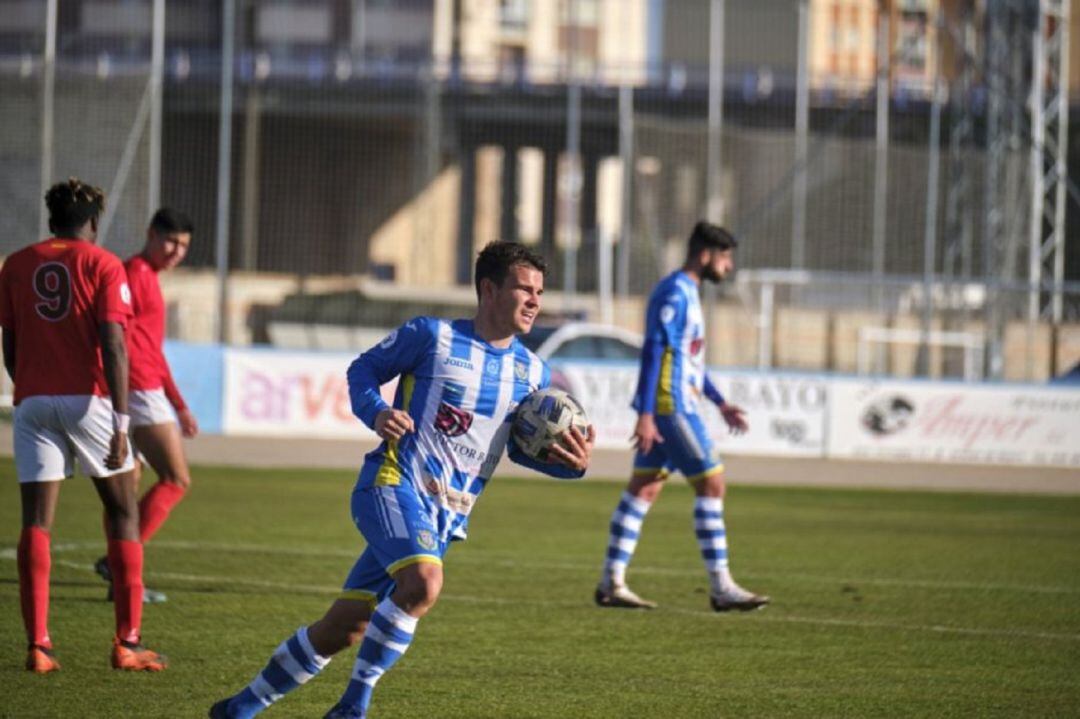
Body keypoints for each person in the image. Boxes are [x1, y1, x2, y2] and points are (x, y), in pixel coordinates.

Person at [209, 241, 595, 719]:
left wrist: (567, 464)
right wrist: (377, 412)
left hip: (444, 517)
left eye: (540, 291)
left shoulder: (533, 372)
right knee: (424, 583)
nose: (536, 300)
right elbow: (363, 370)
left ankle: (240, 708)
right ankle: (353, 707)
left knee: (344, 627)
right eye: (524, 289)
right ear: (489, 289)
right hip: (391, 484)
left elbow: (517, 447)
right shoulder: (431, 336)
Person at [0, 178, 168, 673]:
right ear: (93, 221)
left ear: (52, 218)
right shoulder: (101, 263)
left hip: (31, 402)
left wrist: (31, 384)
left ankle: (39, 646)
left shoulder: (17, 263)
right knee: (122, 511)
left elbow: (9, 344)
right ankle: (127, 642)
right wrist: (120, 422)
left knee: (36, 521)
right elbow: (114, 345)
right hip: (89, 401)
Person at [593, 221, 769, 612]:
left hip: (677, 403)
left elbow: (686, 360)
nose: (728, 267)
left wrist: (720, 402)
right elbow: (654, 350)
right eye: (725, 258)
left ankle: (611, 581)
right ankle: (721, 587)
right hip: (672, 408)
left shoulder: (689, 293)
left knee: (644, 489)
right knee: (712, 485)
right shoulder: (675, 292)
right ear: (705, 255)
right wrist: (647, 413)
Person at [92, 208, 197, 604]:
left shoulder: (144, 276)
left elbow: (149, 346)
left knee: (125, 488)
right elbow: (121, 339)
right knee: (175, 479)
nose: (175, 251)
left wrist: (179, 402)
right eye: (170, 241)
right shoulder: (135, 274)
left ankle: (120, 577)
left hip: (134, 390)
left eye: (183, 245)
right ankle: (114, 565)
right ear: (151, 234)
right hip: (138, 390)